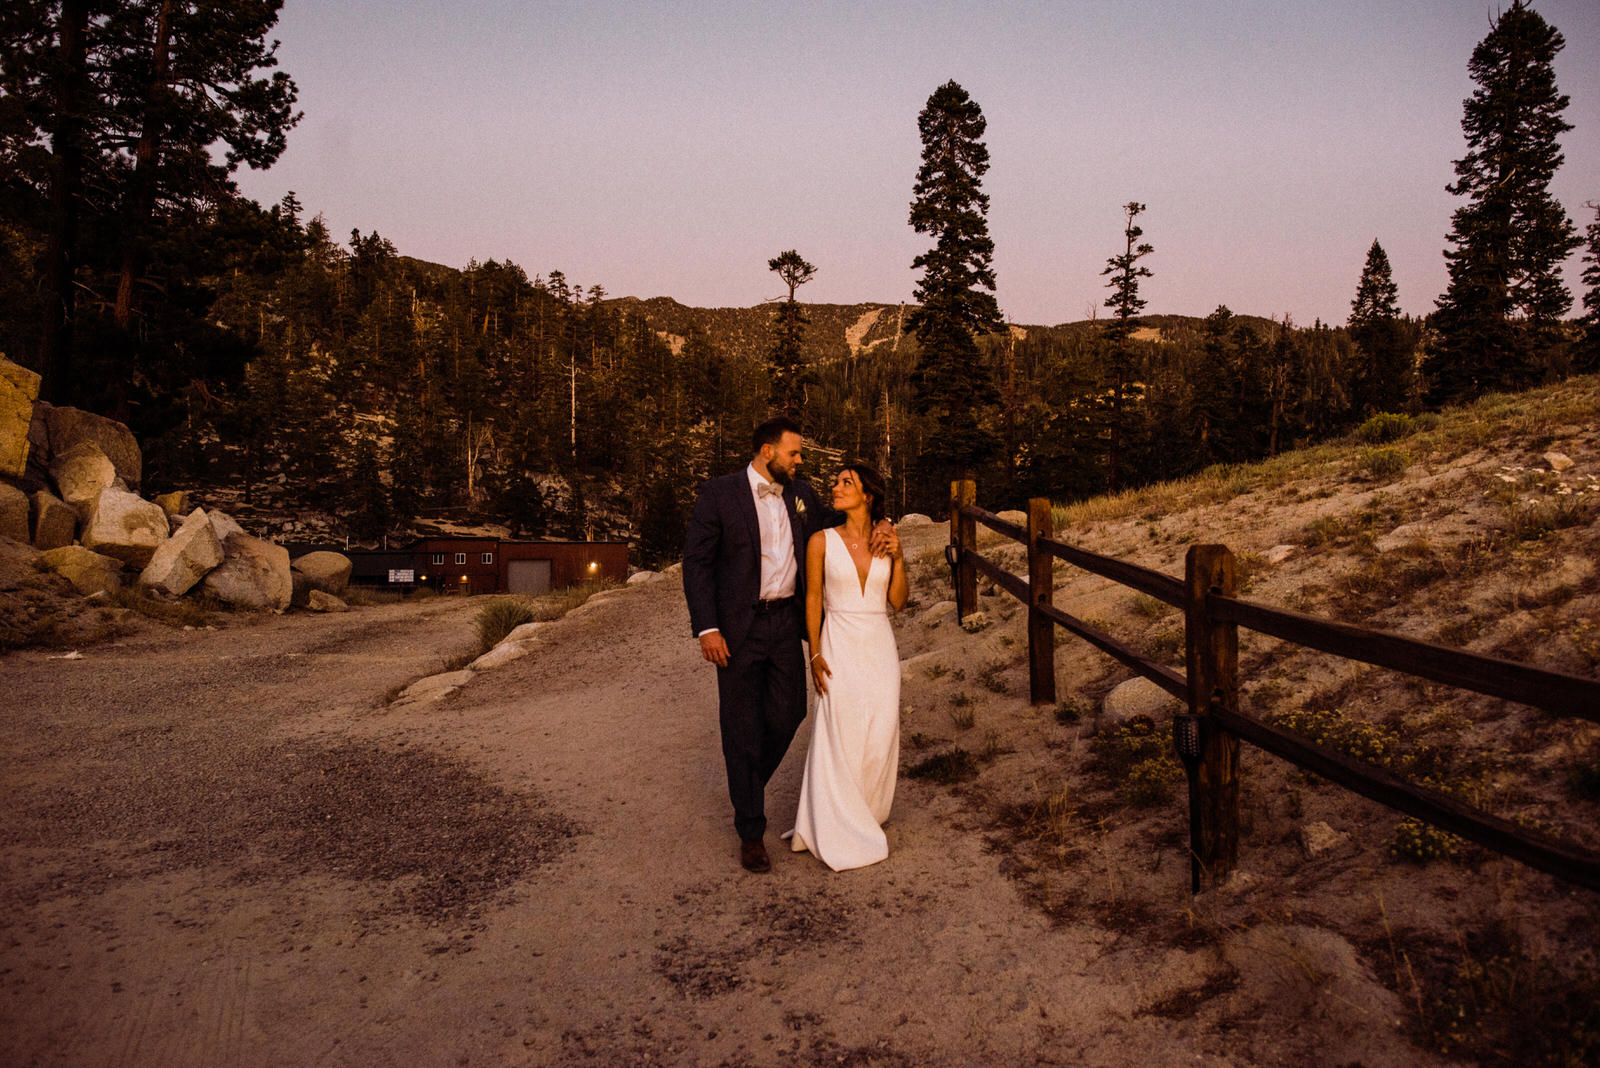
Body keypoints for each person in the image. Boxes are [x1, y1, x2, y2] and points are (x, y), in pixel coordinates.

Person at [683, 418, 889, 874]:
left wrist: (885, 521)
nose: (800, 461)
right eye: (793, 454)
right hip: (737, 629)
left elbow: (845, 518)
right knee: (739, 726)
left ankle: (748, 787)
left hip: (783, 625)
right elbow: (696, 565)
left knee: (790, 712)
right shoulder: (719, 494)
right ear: (765, 451)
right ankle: (751, 831)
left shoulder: (801, 495)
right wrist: (707, 628)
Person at [785, 461, 907, 871]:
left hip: (879, 645)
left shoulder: (887, 536)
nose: (835, 488)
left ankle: (868, 811)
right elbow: (813, 599)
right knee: (838, 727)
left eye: (846, 483)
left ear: (867, 495)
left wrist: (900, 557)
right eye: (835, 481)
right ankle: (835, 819)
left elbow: (900, 601)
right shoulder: (820, 540)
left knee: (878, 730)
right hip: (838, 641)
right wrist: (814, 653)